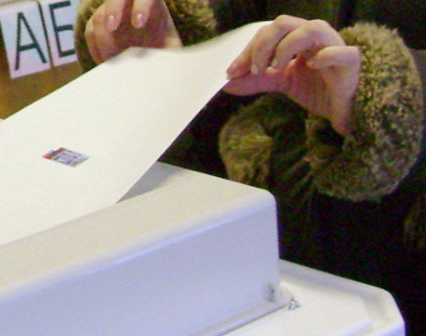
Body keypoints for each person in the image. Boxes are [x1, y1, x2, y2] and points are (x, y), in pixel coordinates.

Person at [74, 0, 426, 334]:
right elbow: (248, 24)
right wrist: (176, 41)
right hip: (273, 255)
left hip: (399, 268)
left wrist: (384, 97)